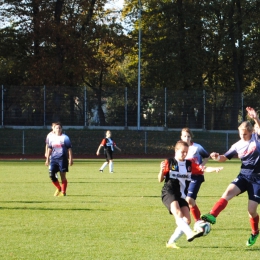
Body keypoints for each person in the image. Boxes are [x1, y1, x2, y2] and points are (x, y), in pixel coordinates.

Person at [201, 106, 260, 247]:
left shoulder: (257, 138)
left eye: (245, 134)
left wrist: (256, 118)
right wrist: (217, 157)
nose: (242, 136)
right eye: (240, 134)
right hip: (244, 176)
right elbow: (224, 158)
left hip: (258, 179)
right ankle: (213, 215)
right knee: (227, 192)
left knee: (251, 210)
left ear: (251, 132)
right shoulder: (237, 145)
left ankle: (255, 232)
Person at [158, 140, 223, 249]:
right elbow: (160, 180)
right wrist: (161, 170)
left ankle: (170, 242)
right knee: (177, 212)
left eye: (186, 152)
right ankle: (189, 233)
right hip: (169, 191)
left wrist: (215, 169)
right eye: (182, 152)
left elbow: (203, 168)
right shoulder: (169, 162)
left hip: (182, 195)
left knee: (187, 220)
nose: (184, 154)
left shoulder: (189, 164)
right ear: (176, 150)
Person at [180, 128, 210, 223]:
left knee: (189, 199)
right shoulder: (180, 148)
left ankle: (198, 221)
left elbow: (207, 156)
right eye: (184, 136)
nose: (187, 138)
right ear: (181, 137)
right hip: (184, 177)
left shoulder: (197, 147)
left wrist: (202, 165)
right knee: (186, 200)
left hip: (196, 176)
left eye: (188, 136)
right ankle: (195, 220)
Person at [45, 122, 73, 196]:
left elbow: (69, 149)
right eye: (57, 128)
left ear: (61, 129)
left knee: (62, 176)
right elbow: (49, 149)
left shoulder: (65, 137)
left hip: (63, 159)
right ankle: (59, 188)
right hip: (54, 159)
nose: (58, 129)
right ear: (54, 129)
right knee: (51, 175)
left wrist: (70, 159)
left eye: (59, 128)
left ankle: (63, 192)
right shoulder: (51, 137)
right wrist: (47, 159)